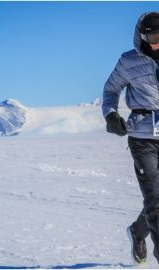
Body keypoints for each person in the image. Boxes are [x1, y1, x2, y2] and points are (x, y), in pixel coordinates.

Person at [103, 12, 159, 264]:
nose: (156, 42)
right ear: (143, 36)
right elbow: (110, 89)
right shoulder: (129, 61)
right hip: (142, 138)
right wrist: (111, 114)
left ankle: (137, 232)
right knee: (155, 199)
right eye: (152, 37)